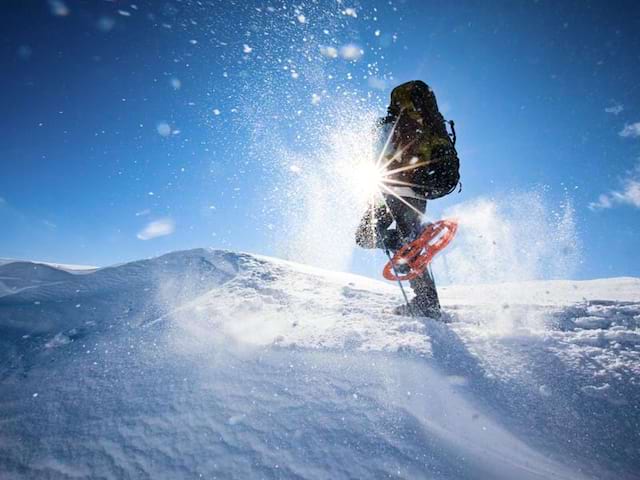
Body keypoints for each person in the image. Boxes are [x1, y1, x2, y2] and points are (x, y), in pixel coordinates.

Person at [355, 80, 460, 318]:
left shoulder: (389, 125)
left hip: (393, 192)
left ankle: (426, 302)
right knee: (399, 243)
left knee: (370, 236)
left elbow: (377, 160)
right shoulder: (424, 125)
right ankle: (426, 299)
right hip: (414, 193)